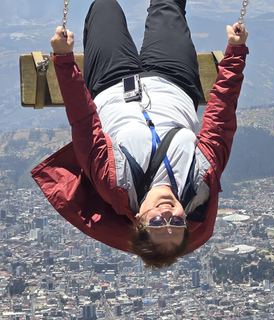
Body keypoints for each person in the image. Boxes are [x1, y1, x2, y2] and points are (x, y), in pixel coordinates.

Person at [31, 0, 248, 269]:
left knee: (104, 6)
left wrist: (64, 60)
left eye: (157, 222)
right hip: (174, 79)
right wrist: (236, 53)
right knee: (168, 4)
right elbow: (221, 116)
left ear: (138, 221)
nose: (168, 213)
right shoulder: (201, 179)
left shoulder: (114, 182)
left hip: (111, 83)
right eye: (177, 221)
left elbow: (83, 122)